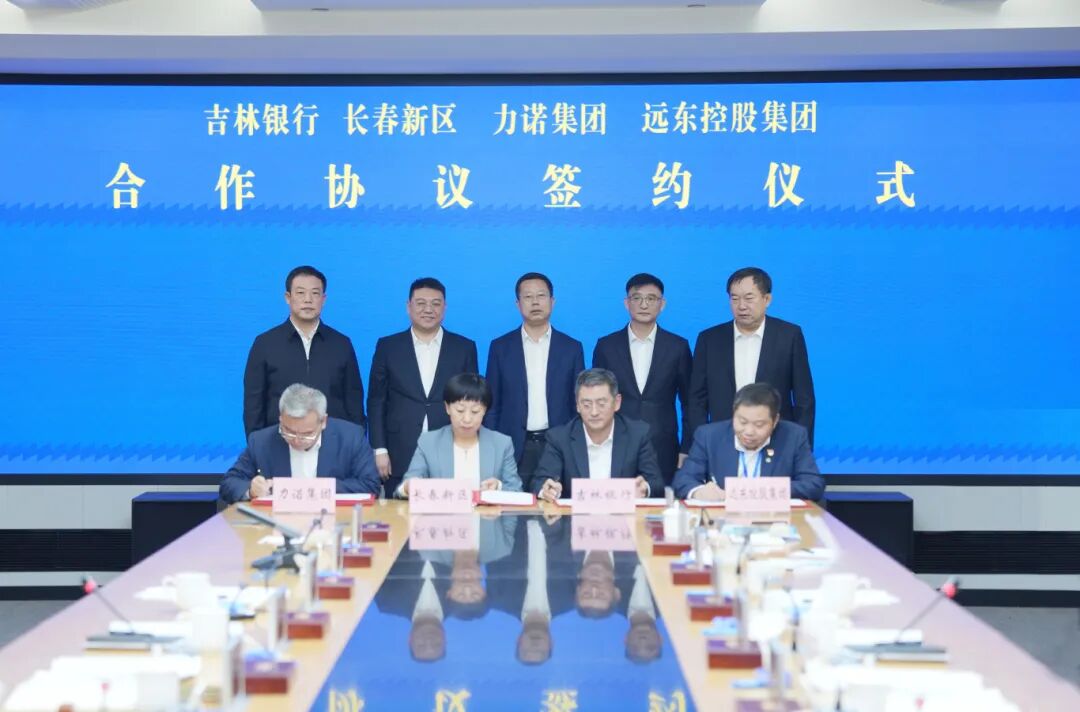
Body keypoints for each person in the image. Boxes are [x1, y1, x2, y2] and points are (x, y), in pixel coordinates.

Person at [368, 278, 479, 497]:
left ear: (444, 307)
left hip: (451, 448)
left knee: (450, 512)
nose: (428, 309)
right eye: (421, 303)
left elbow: (473, 401)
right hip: (399, 451)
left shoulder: (464, 347)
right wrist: (380, 449)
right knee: (399, 514)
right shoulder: (388, 347)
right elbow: (376, 401)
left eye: (436, 304)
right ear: (408, 306)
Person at [686, 266, 815, 448]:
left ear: (767, 299)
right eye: (734, 298)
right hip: (722, 444)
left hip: (777, 442)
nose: (741, 306)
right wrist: (703, 444)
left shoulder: (789, 336)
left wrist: (801, 448)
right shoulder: (710, 339)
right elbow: (697, 399)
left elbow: (804, 399)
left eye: (749, 298)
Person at [484, 272, 585, 489]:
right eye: (528, 297)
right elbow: (492, 404)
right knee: (510, 506)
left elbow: (578, 403)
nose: (535, 302)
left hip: (558, 445)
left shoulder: (571, 348)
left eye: (541, 295)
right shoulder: (501, 347)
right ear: (518, 304)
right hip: (512, 446)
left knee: (555, 503)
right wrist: (493, 447)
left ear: (552, 301)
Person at [593, 273, 692, 486]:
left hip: (663, 445)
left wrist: (686, 448)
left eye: (651, 298)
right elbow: (596, 398)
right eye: (637, 298)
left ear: (662, 304)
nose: (644, 304)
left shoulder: (678, 347)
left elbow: (689, 402)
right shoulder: (606, 346)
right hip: (615, 443)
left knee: (660, 502)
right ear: (626, 303)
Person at [242, 265, 365, 436]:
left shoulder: (341, 344)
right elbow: (253, 404)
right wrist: (258, 445)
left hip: (332, 443)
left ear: (323, 299)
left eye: (315, 293)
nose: (308, 300)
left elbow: (354, 402)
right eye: (300, 293)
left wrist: (357, 441)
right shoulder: (265, 344)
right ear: (288, 297)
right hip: (280, 441)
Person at [220, 383, 381, 504]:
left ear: (323, 421)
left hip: (336, 521)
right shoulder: (261, 441)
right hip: (277, 525)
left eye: (307, 434)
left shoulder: (350, 437)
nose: (297, 440)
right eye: (289, 431)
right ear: (281, 419)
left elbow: (370, 484)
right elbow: (229, 483)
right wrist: (251, 489)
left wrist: (317, 489)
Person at [672, 382, 824, 501]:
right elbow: (682, 479)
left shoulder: (793, 436)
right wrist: (699, 492)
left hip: (775, 521)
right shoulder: (709, 436)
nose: (749, 431)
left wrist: (761, 490)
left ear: (775, 420)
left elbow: (813, 484)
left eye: (759, 425)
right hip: (722, 522)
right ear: (734, 414)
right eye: (742, 422)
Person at [532, 369, 664, 503]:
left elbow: (656, 483)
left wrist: (644, 489)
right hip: (574, 515)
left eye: (601, 404)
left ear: (617, 402)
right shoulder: (559, 438)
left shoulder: (637, 434)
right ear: (577, 405)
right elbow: (539, 482)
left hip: (624, 514)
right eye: (586, 405)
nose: (594, 412)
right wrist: (547, 490)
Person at [397, 373, 521, 497]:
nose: (467, 419)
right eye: (460, 410)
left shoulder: (501, 444)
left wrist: (498, 487)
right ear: (447, 408)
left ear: (484, 410)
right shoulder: (428, 442)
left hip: (486, 510)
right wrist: (409, 487)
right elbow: (403, 489)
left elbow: (516, 491)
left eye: (475, 411)